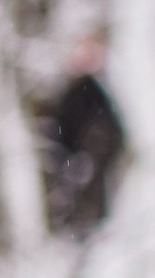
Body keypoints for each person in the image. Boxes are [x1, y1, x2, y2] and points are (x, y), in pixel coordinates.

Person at [38, 47, 126, 242]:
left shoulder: (93, 94)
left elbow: (113, 136)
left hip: (90, 179)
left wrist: (91, 158)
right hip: (71, 178)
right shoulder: (69, 94)